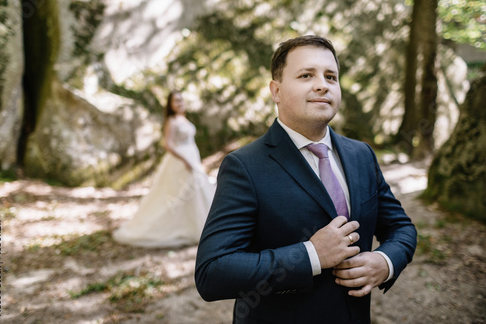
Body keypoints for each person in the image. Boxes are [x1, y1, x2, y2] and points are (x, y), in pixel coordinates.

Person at [195, 35, 417, 323]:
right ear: (276, 91)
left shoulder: (361, 154)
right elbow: (212, 272)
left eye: (331, 76)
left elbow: (401, 227)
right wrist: (311, 255)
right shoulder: (244, 166)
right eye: (306, 75)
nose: (322, 84)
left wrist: (385, 262)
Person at [113, 90, 215, 248]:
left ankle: (196, 225)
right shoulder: (172, 121)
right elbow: (168, 144)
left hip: (192, 158)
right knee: (179, 193)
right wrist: (184, 159)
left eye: (181, 100)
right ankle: (174, 226)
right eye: (176, 101)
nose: (179, 103)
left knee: (195, 193)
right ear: (170, 104)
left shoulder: (184, 119)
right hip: (180, 162)